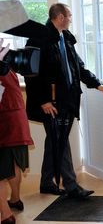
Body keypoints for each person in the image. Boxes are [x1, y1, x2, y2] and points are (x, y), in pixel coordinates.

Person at [24, 3, 103, 199]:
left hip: (67, 100)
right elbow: (31, 74)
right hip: (51, 103)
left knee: (54, 141)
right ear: (61, 17)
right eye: (69, 15)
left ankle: (47, 183)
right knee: (60, 141)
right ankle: (71, 185)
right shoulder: (38, 38)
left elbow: (78, 67)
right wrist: (44, 101)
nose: (71, 19)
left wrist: (97, 84)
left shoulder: (66, 39)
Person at [0, 39, 34, 224]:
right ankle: (15, 199)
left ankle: (5, 214)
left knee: (1, 168)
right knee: (13, 163)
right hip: (17, 120)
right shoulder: (9, 63)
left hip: (5, 120)